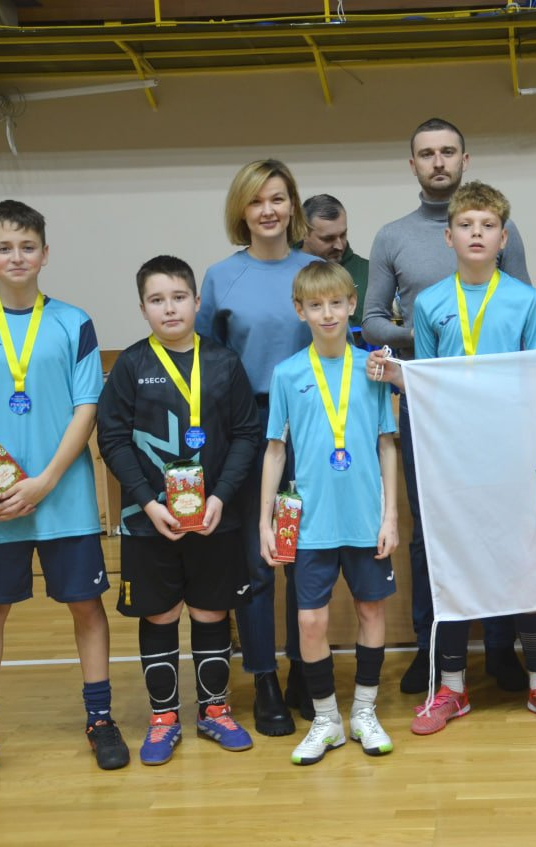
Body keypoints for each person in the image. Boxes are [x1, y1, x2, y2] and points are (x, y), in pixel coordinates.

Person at [369, 181, 536, 735]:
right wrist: (398, 376)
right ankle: (452, 688)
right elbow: (429, 384)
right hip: (453, 458)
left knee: (526, 562)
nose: (477, 234)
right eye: (466, 225)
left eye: (488, 226)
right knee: (454, 563)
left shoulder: (524, 299)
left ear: (503, 238)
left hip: (512, 455)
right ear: (449, 237)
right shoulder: (430, 304)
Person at [0, 200, 127, 791]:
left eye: (27, 247)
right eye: (5, 248)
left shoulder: (73, 323)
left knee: (85, 605)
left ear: (45, 254)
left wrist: (46, 479)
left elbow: (86, 408)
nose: (16, 257)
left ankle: (100, 720)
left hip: (64, 495)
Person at [362, 117, 531, 695]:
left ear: (465, 158)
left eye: (448, 151)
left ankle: (502, 647)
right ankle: (431, 647)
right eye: (427, 153)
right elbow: (372, 320)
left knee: (501, 525)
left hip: (497, 417)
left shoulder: (505, 230)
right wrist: (427, 343)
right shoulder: (392, 237)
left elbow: (520, 314)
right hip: (429, 407)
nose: (439, 161)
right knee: (427, 533)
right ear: (413, 163)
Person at [97, 255, 261, 765]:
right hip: (149, 521)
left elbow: (246, 434)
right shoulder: (130, 365)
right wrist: (148, 503)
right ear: (142, 308)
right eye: (156, 300)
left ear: (196, 301)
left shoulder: (224, 363)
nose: (169, 308)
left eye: (178, 297)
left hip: (215, 517)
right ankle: (163, 718)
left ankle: (214, 711)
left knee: (212, 610)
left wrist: (220, 496)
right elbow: (112, 439)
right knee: (161, 612)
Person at [196, 159, 322, 736]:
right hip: (248, 429)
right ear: (240, 210)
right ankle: (264, 677)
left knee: (302, 553)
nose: (268, 210)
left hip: (311, 426)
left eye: (277, 198)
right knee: (258, 557)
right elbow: (205, 362)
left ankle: (304, 669)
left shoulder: (316, 271)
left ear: (292, 204)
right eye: (256, 200)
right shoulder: (222, 277)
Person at [259, 262, 400, 765]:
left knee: (371, 611)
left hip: (364, 518)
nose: (327, 314)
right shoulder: (287, 374)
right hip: (310, 523)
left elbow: (387, 444)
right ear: (300, 310)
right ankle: (326, 720)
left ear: (352, 305)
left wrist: (390, 517)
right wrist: (264, 521)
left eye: (336, 303)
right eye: (315, 305)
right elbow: (276, 450)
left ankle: (363, 711)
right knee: (310, 621)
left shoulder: (372, 369)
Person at [299, 194, 370, 335]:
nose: (339, 245)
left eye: (343, 235)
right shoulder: (285, 271)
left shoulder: (369, 273)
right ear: (303, 232)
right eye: (328, 239)